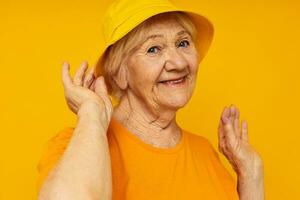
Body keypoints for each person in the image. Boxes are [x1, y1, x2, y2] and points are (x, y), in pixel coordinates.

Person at [37, 0, 264, 199]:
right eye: (154, 49)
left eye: (183, 42)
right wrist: (90, 113)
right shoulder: (76, 145)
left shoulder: (204, 152)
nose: (178, 63)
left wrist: (251, 175)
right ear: (119, 73)